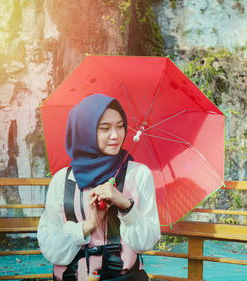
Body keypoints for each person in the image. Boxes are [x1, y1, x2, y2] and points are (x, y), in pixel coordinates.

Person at [37, 94, 161, 281]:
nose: (115, 135)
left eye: (120, 126)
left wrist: (126, 206)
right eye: (105, 128)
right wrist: (88, 225)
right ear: (84, 131)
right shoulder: (63, 179)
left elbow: (147, 241)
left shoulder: (139, 175)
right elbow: (49, 247)